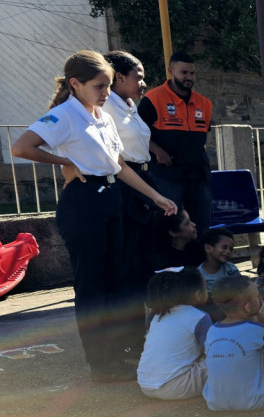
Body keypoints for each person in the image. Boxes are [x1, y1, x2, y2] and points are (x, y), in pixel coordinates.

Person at [9, 50, 177, 382]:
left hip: (111, 198)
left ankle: (116, 355)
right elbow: (21, 147)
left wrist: (157, 196)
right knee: (92, 287)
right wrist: (65, 164)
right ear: (75, 84)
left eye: (109, 86)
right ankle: (101, 364)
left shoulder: (101, 115)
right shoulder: (65, 115)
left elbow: (119, 164)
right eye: (99, 86)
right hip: (83, 203)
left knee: (115, 281)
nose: (105, 93)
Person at [101, 50, 157, 352]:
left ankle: (140, 334)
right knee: (128, 265)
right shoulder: (106, 106)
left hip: (144, 179)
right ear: (118, 77)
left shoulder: (129, 103)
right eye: (139, 76)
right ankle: (130, 339)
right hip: (126, 184)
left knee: (144, 263)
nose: (144, 82)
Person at [202, 275, 264, 411]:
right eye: (257, 296)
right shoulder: (257, 330)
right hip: (252, 400)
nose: (260, 300)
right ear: (248, 307)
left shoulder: (212, 330)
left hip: (214, 402)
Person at [139, 52, 214, 232]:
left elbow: (202, 137)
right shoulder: (153, 98)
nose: (189, 77)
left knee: (201, 227)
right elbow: (137, 134)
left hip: (197, 175)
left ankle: (199, 260)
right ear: (171, 71)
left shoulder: (204, 103)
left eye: (192, 73)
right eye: (184, 73)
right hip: (166, 175)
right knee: (168, 225)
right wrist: (157, 150)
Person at [137, 267, 211, 400]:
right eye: (206, 288)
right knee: (223, 358)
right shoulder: (199, 317)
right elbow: (213, 351)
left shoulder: (156, 315)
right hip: (177, 387)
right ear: (198, 295)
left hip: (145, 385)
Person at [199, 228, 240, 299]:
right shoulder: (198, 275)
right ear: (208, 248)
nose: (228, 251)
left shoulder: (231, 269)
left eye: (231, 249)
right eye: (224, 247)